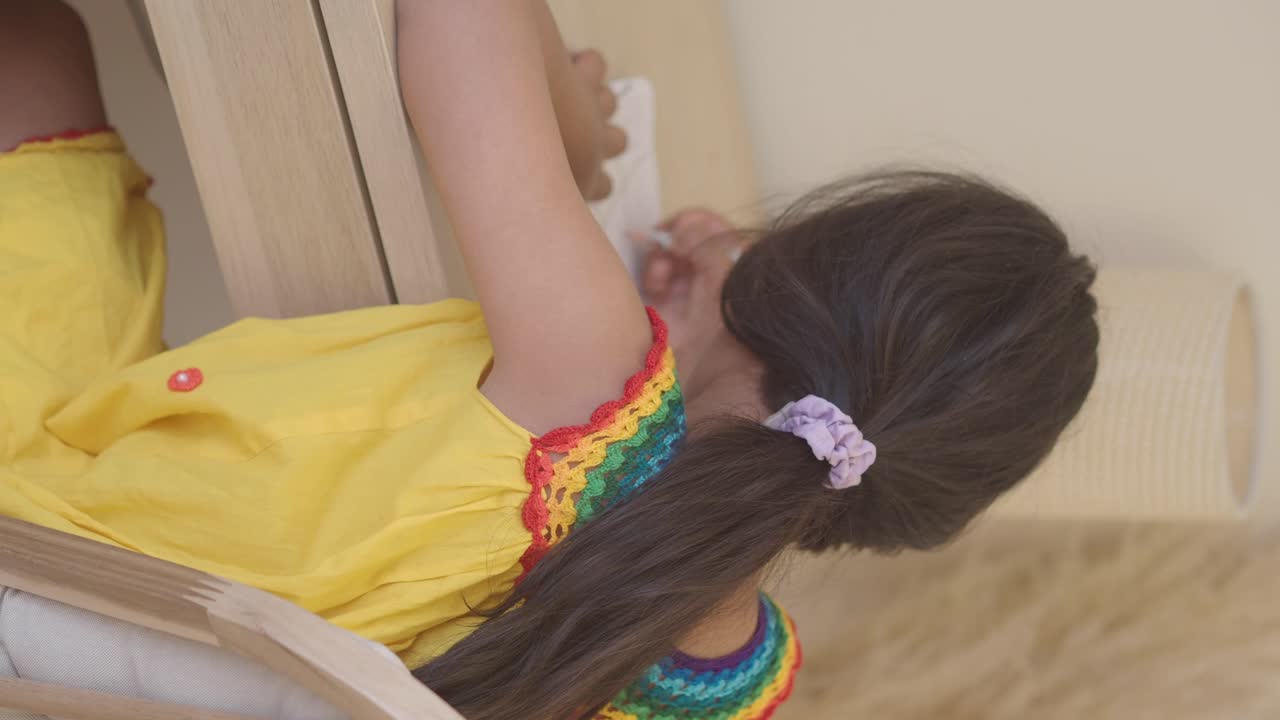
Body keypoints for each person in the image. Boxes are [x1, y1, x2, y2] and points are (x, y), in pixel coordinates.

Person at [0, 2, 1099, 719]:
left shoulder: (587, 374)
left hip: (51, 509)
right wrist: (696, 326)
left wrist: (580, 127)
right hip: (108, 637)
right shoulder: (735, 682)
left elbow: (454, 23)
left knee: (32, 37)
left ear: (787, 278)